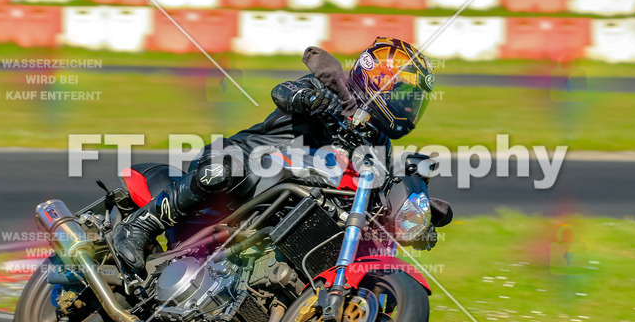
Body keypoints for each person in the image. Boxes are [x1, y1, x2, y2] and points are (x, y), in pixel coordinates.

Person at [112, 36, 435, 273]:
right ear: (377, 79)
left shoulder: (379, 145)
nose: (408, 107)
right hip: (252, 163)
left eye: (415, 101)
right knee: (226, 167)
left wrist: (410, 221)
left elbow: (376, 191)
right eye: (404, 94)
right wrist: (308, 99)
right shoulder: (332, 90)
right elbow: (283, 91)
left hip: (290, 208)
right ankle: (141, 225)